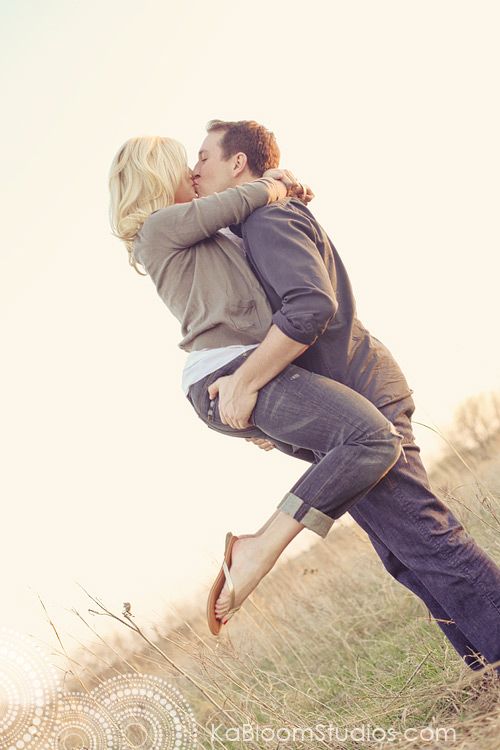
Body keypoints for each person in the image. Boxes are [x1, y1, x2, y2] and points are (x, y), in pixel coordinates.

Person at [186, 119, 500, 674]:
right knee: (405, 554)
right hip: (351, 399)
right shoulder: (257, 218)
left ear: (238, 164)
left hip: (364, 395)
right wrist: (282, 412)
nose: (194, 170)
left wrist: (248, 380)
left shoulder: (265, 219)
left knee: (428, 540)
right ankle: (486, 669)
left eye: (204, 157)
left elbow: (310, 306)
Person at [108, 136, 402, 636]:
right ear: (158, 177)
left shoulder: (204, 231)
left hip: (253, 373)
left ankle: (383, 551)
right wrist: (274, 183)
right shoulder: (159, 229)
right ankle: (259, 550)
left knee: (355, 466)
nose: (193, 172)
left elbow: (252, 225)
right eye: (183, 165)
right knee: (372, 440)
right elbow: (242, 198)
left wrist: (287, 196)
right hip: (225, 376)